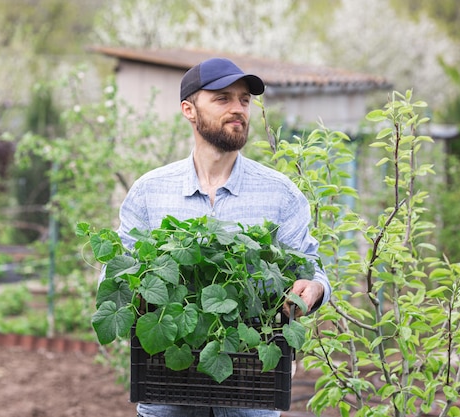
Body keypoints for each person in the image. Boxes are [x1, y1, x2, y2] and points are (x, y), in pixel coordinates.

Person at [114, 57, 331, 417]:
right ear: (189, 110)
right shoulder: (149, 191)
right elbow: (118, 276)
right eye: (222, 98)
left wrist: (315, 289)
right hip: (168, 390)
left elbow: (312, 270)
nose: (238, 109)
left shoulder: (280, 193)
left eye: (244, 100)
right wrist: (140, 295)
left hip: (253, 393)